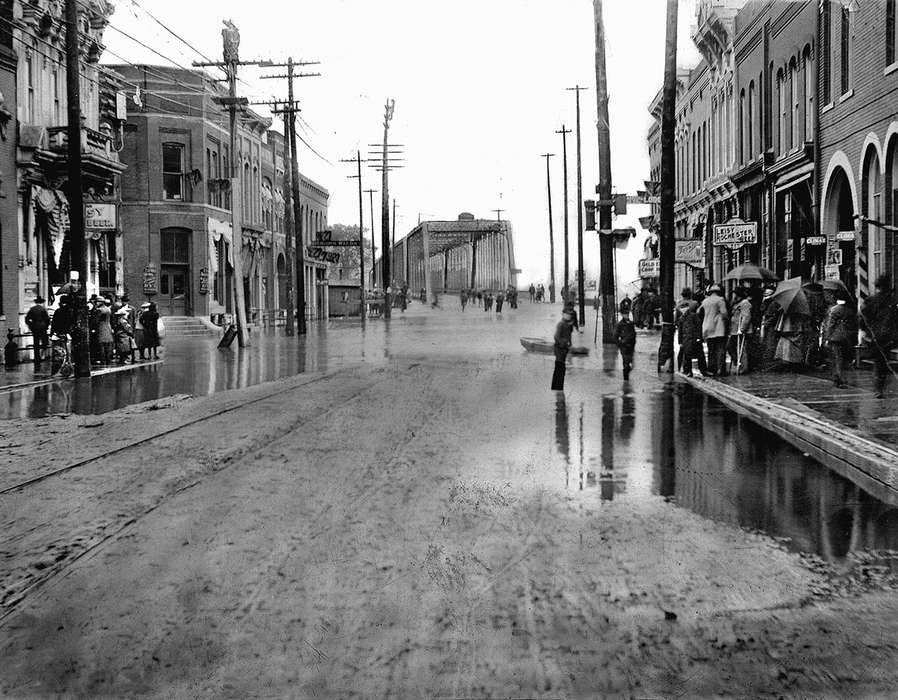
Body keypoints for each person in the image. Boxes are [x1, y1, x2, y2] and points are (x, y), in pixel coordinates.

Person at [858, 274, 898, 398]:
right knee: (883, 361)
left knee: (878, 362)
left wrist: (865, 331)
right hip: (890, 336)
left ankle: (878, 388)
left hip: (875, 336)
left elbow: (863, 318)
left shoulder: (871, 301)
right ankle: (882, 383)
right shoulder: (893, 300)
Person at [823, 294, 857, 388]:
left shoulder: (833, 310)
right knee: (843, 358)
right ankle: (841, 378)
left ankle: (838, 379)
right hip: (846, 337)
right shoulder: (850, 311)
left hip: (835, 337)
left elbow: (830, 325)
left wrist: (827, 337)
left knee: (836, 359)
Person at [701, 284, 729, 376]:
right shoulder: (720, 300)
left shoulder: (705, 301)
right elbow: (724, 313)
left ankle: (712, 369)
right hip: (718, 328)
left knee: (711, 350)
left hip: (707, 327)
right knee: (720, 349)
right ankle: (721, 369)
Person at [728, 287, 754, 375]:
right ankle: (738, 363)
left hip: (740, 330)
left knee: (741, 349)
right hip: (734, 330)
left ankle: (743, 367)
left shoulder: (745, 303)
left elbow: (746, 316)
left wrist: (742, 329)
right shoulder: (736, 303)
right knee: (731, 347)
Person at [551, 308, 576, 390]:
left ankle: (559, 387)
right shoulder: (561, 324)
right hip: (559, 349)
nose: (568, 316)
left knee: (561, 368)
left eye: (569, 315)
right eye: (567, 314)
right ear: (564, 315)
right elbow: (556, 337)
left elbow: (568, 336)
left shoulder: (568, 325)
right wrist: (565, 342)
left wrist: (570, 344)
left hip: (564, 349)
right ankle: (557, 387)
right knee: (559, 368)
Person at [25, 296, 50, 367]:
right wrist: (46, 326)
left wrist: (31, 325)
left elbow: (27, 319)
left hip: (35, 328)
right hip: (42, 328)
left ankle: (37, 358)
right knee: (44, 342)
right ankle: (42, 355)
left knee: (36, 344)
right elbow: (47, 319)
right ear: (42, 302)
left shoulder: (32, 309)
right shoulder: (43, 309)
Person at [614, 309, 637, 381]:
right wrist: (620, 344)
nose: (626, 315)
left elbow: (633, 334)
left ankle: (626, 377)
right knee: (626, 364)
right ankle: (626, 380)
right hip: (624, 347)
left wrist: (633, 343)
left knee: (631, 363)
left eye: (627, 313)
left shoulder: (631, 323)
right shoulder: (619, 324)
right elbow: (615, 336)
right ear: (622, 315)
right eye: (625, 314)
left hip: (631, 346)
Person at [95, 298, 114, 365]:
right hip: (108, 327)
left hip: (101, 328)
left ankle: (103, 361)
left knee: (101, 345)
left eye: (97, 302)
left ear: (101, 302)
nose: (96, 303)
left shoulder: (99, 310)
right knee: (108, 345)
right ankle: (108, 360)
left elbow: (96, 320)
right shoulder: (108, 309)